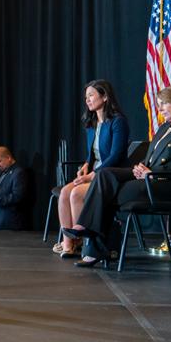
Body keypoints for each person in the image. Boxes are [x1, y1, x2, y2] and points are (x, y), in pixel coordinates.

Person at [65, 86, 171, 267]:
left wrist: (152, 173)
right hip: (149, 177)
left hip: (170, 185)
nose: (160, 109)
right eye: (159, 104)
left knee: (109, 192)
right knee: (105, 174)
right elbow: (150, 158)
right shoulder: (165, 127)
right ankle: (89, 233)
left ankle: (92, 247)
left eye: (164, 104)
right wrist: (141, 168)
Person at [54, 80, 130, 258]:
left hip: (109, 175)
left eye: (91, 95)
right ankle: (68, 244)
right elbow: (93, 154)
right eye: (86, 97)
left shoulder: (118, 122)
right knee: (64, 193)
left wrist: (92, 175)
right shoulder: (93, 123)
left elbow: (115, 156)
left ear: (104, 97)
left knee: (76, 194)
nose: (87, 100)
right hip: (94, 173)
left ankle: (86, 243)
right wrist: (86, 166)